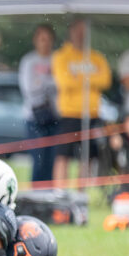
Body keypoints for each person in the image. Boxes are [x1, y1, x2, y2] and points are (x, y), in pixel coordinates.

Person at [52, 19, 112, 184]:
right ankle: (60, 192)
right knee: (62, 154)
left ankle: (81, 192)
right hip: (69, 113)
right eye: (78, 32)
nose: (81, 36)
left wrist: (79, 78)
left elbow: (105, 80)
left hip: (91, 113)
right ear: (71, 32)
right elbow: (64, 82)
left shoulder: (96, 57)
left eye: (84, 32)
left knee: (87, 157)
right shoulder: (61, 56)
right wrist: (91, 79)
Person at [19, 24, 58, 183]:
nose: (45, 43)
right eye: (42, 39)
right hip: (34, 117)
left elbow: (62, 83)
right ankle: (37, 193)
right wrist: (50, 84)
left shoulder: (57, 59)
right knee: (38, 159)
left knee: (52, 160)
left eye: (48, 39)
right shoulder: (29, 61)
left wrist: (42, 83)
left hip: (55, 115)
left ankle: (49, 193)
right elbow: (29, 88)